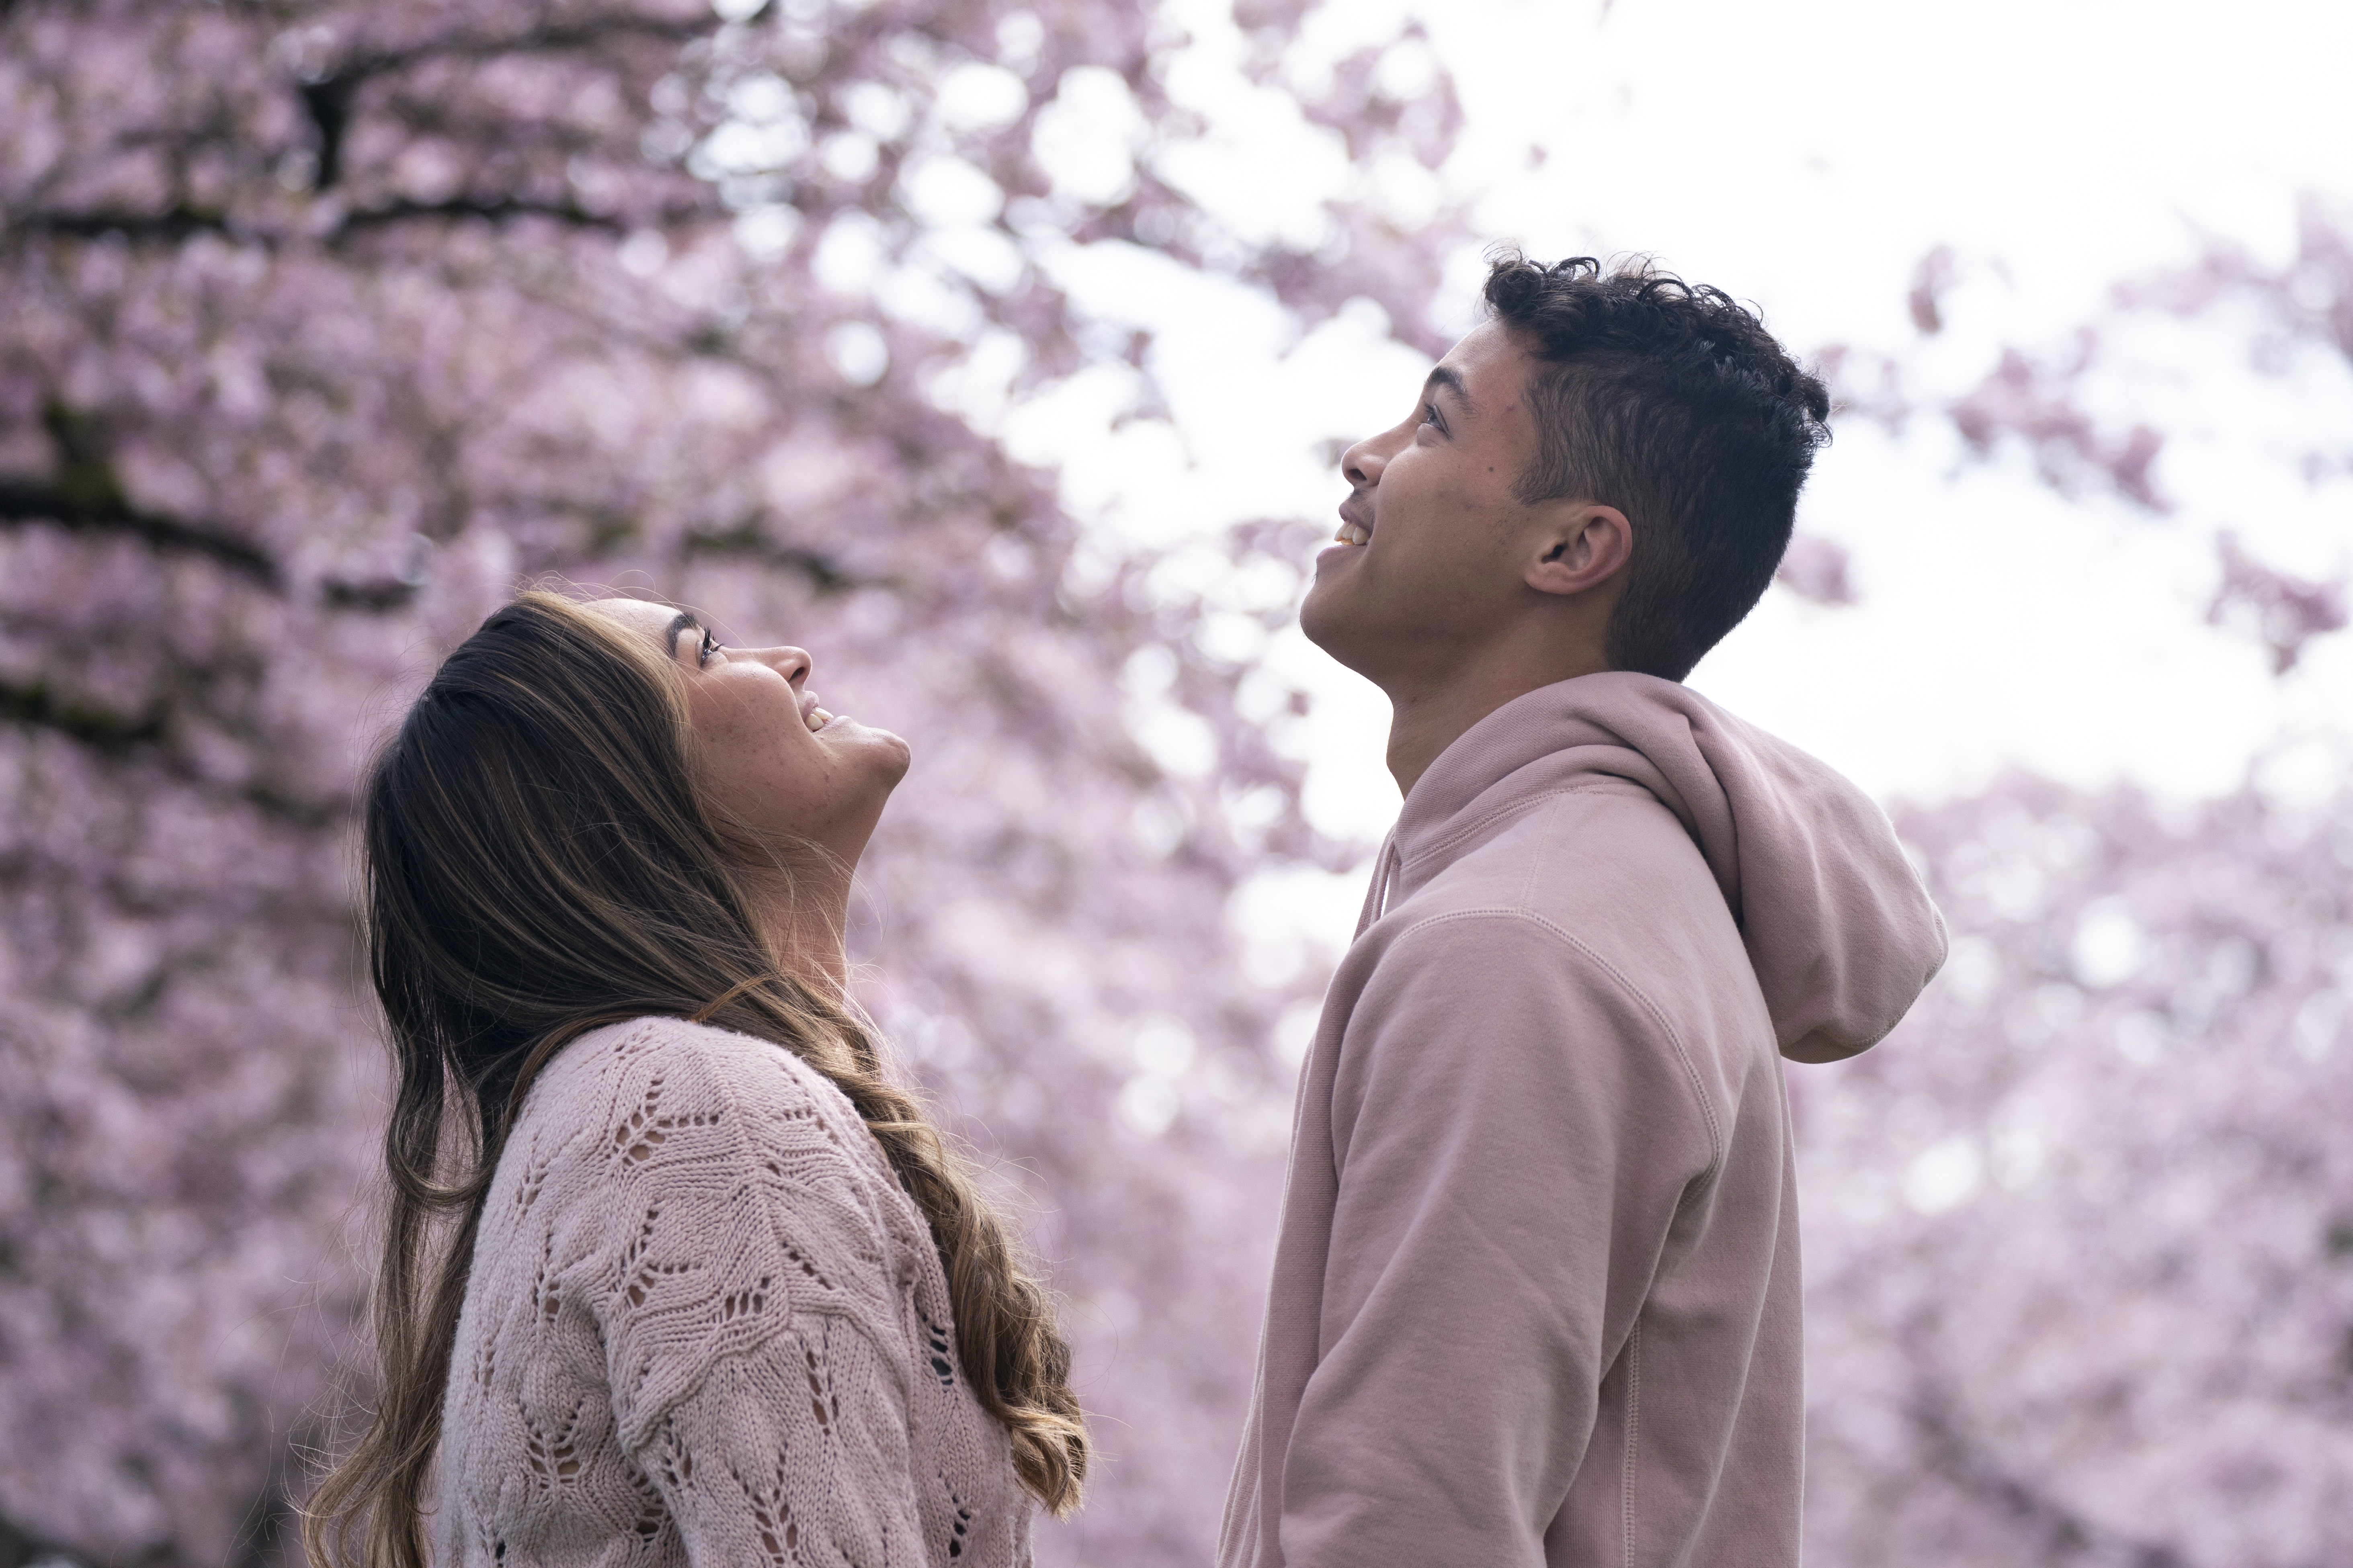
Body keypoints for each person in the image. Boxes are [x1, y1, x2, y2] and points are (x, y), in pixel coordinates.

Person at [1217, 254, 1949, 1567]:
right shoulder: (1591, 894)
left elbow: (1407, 1522)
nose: (1362, 455)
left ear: (1569, 548)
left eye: (1433, 422)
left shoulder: (1519, 944)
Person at [304, 591, 1084, 1568]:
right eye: (705, 652)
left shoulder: (634, 1100)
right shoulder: (696, 1113)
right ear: (620, 798)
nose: (792, 657)